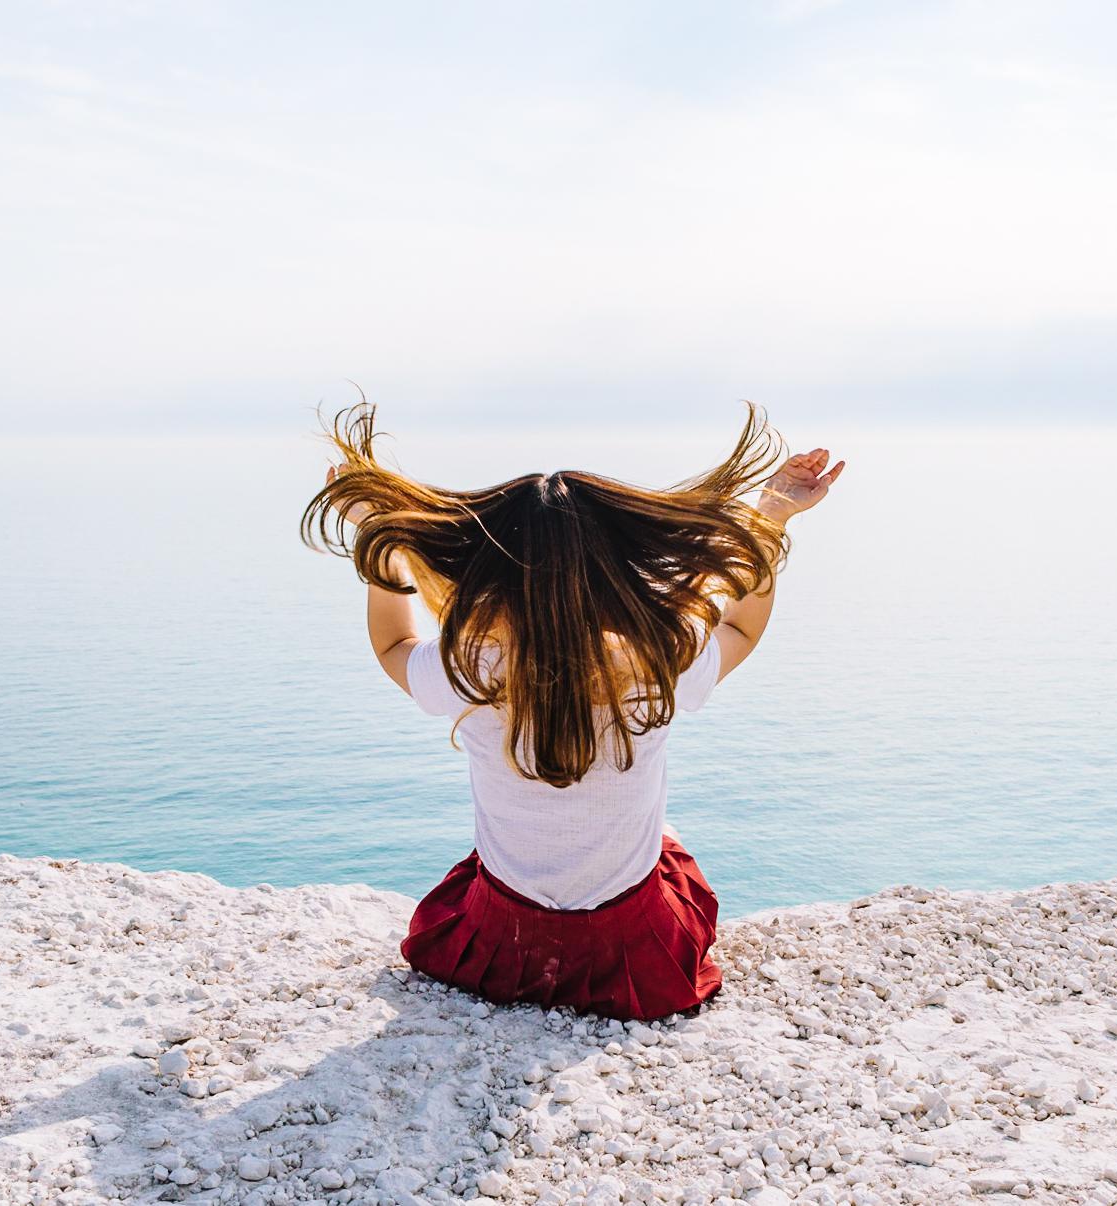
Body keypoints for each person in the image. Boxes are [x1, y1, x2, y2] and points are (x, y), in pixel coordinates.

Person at [302, 402, 844, 1020]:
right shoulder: (658, 658)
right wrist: (770, 512)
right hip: (633, 955)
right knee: (668, 848)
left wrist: (380, 539)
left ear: (485, 575)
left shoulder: (472, 666)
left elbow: (393, 645)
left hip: (500, 948)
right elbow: (739, 625)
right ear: (625, 572)